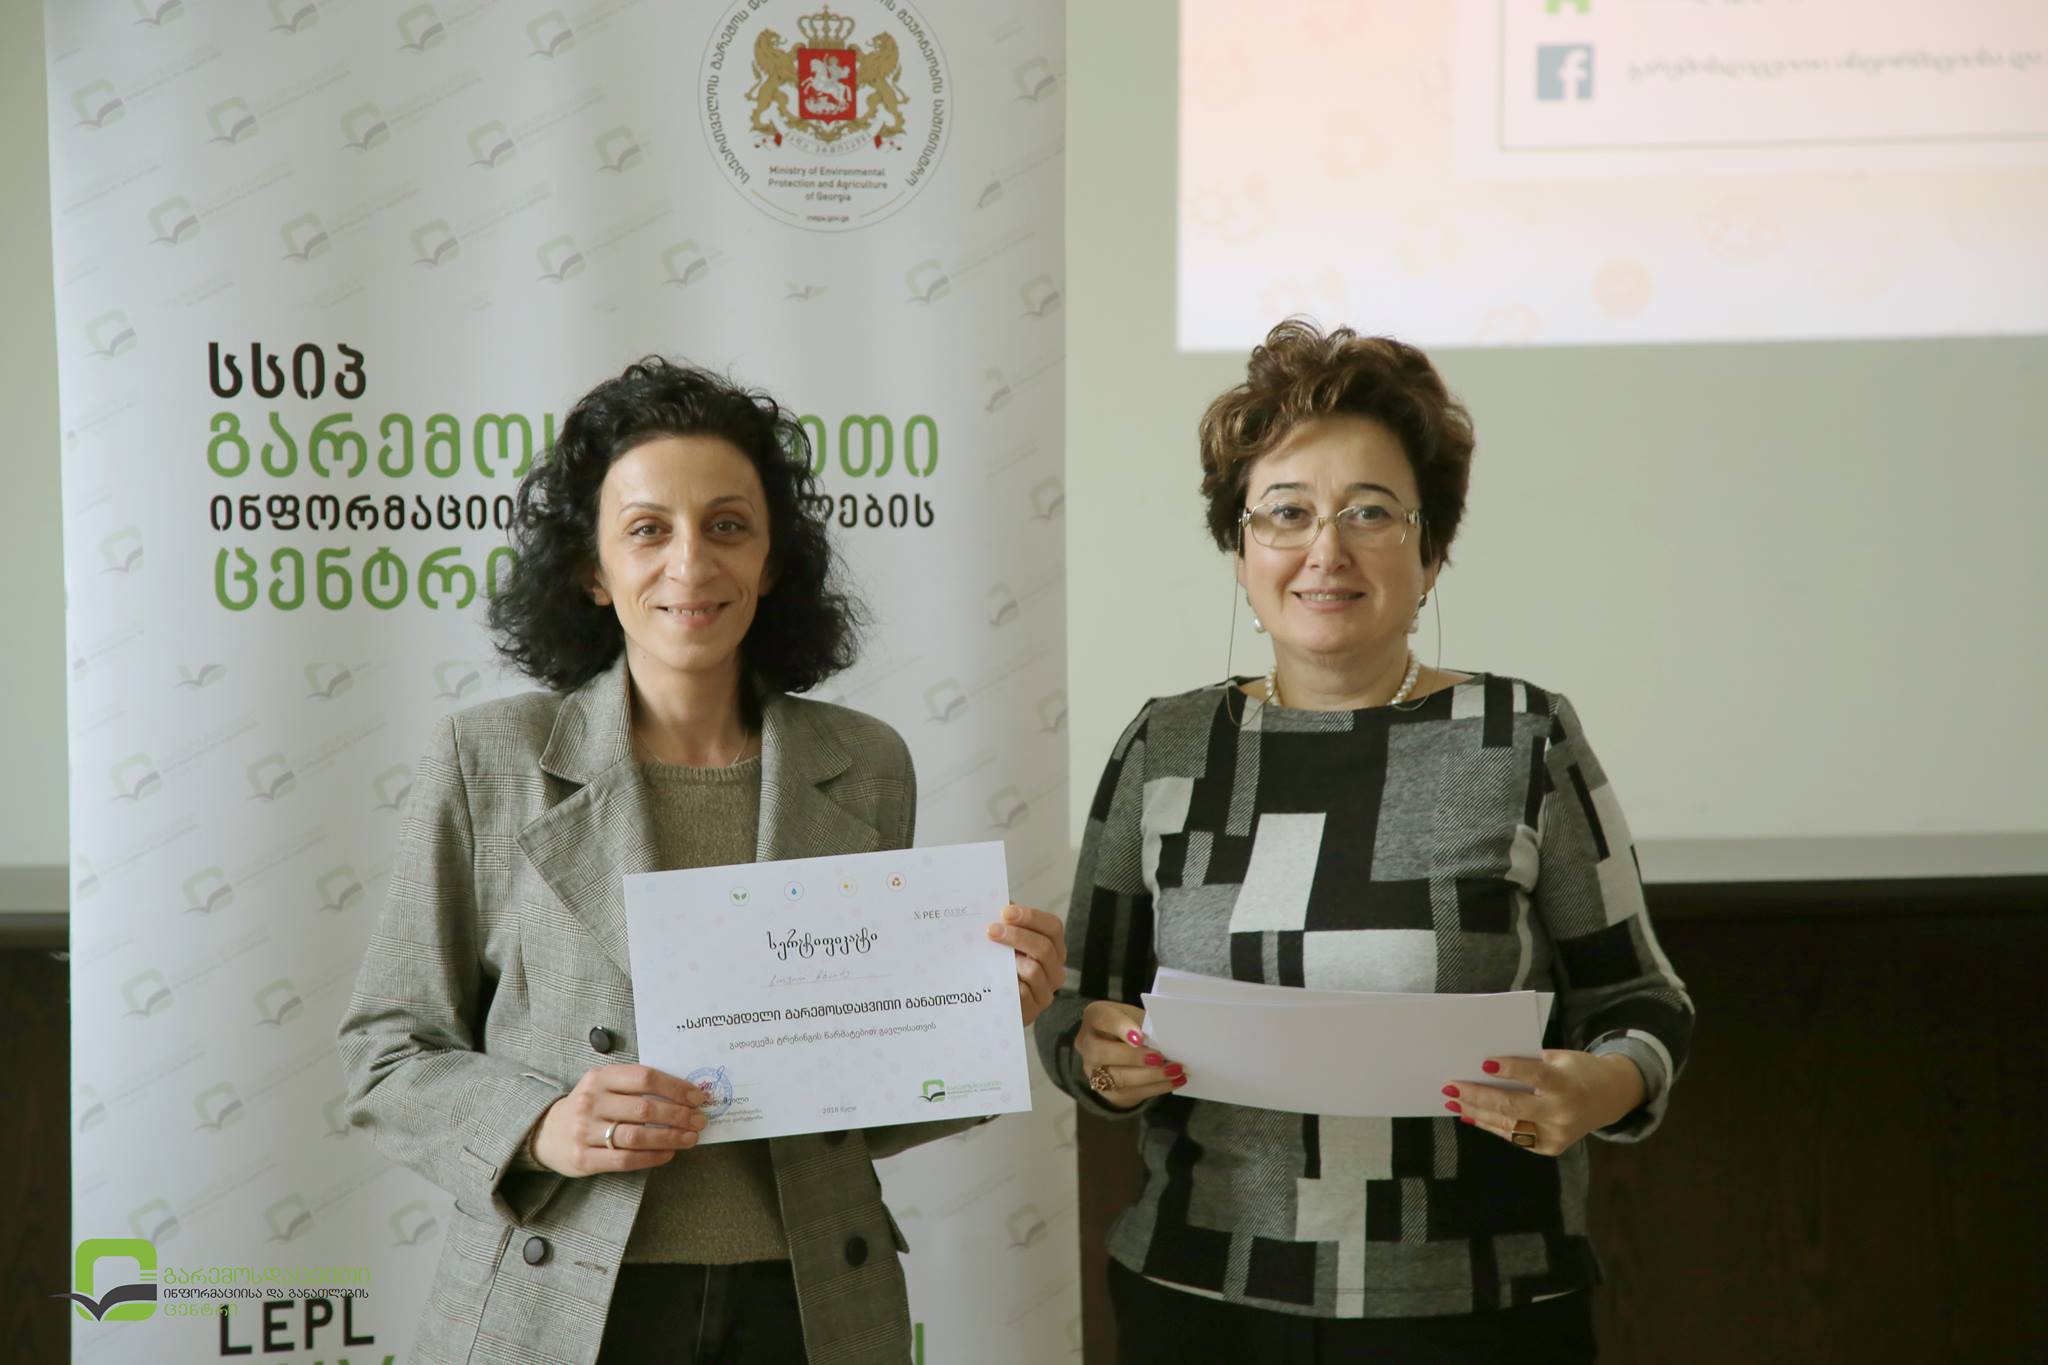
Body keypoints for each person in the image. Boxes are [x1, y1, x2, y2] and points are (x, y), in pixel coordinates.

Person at [337, 357, 1066, 1365]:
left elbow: (848, 1094)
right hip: (563, 1301)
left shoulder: (864, 764)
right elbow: (386, 1051)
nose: (690, 564)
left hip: (807, 1305)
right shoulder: (489, 758)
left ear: (771, 560)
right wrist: (540, 1127)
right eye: (648, 529)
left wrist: (972, 1018)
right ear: (592, 569)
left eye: (727, 526)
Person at [1033, 319, 1693, 1363]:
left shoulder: (1518, 737)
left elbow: (1642, 1001)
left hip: (1478, 1307)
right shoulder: (1167, 745)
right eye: (1285, 512)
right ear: (1241, 550)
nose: (1325, 550)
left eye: (1369, 512)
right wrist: (1097, 1058)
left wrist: (1599, 1086)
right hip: (1203, 1299)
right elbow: (1081, 1006)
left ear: (1430, 552)